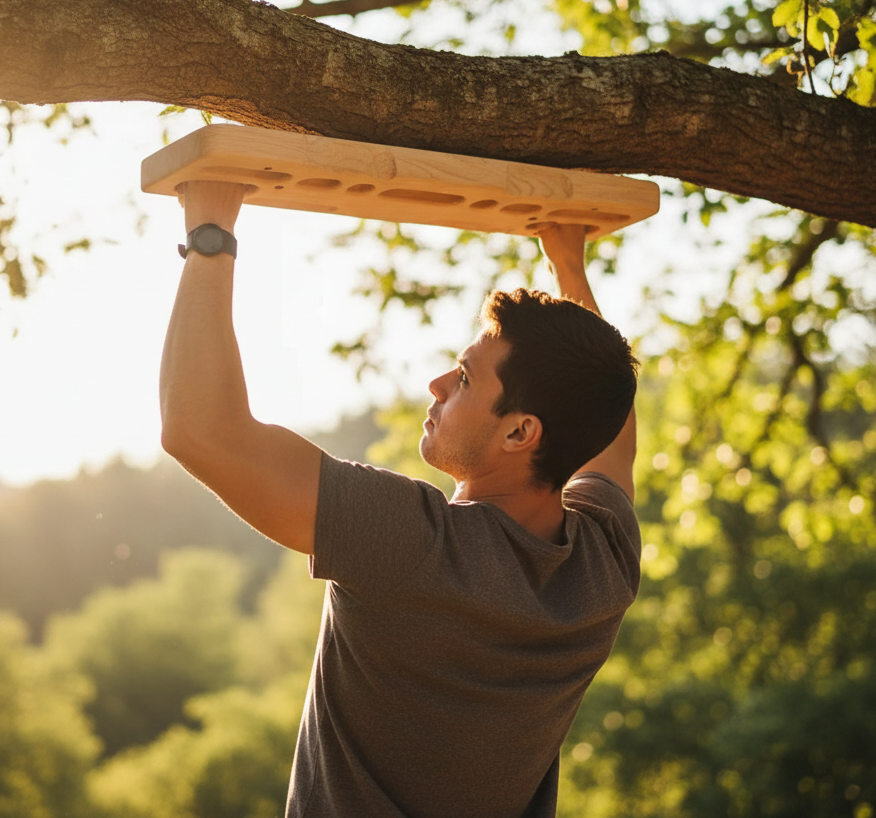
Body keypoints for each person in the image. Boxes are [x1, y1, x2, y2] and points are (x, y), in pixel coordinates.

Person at [160, 180, 641, 818]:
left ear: (520, 432)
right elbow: (609, 430)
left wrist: (210, 233)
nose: (437, 384)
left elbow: (200, 430)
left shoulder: (414, 544)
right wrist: (568, 266)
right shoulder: (604, 563)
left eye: (464, 378)